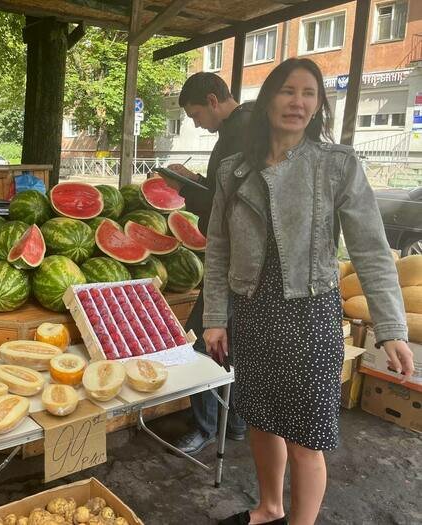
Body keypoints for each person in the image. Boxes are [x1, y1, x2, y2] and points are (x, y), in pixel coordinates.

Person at [202, 58, 414, 525]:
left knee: (306, 436)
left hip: (310, 315)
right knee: (260, 418)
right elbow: (218, 248)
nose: (298, 102)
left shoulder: (336, 165)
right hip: (252, 310)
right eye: (288, 91)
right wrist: (215, 316)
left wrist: (391, 327)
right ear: (269, 98)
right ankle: (269, 507)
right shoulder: (235, 170)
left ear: (318, 106)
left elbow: (373, 251)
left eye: (309, 94)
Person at [157, 72, 250, 455]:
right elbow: (221, 192)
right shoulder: (245, 128)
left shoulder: (239, 133)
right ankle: (239, 423)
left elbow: (222, 204)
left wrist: (182, 189)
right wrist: (193, 178)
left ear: (213, 100)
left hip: (232, 259)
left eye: (196, 114)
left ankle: (206, 426)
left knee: (197, 342)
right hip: (244, 261)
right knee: (237, 342)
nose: (196, 123)